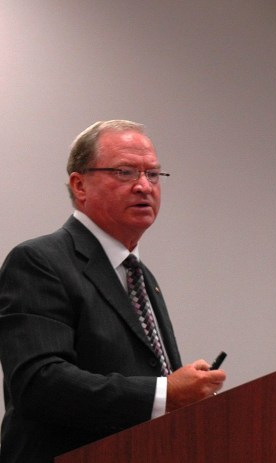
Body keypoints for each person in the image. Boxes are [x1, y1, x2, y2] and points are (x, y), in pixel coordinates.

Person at [0, 120, 226, 463]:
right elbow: (40, 384)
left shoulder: (141, 275)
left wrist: (183, 397)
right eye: (125, 172)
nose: (143, 186)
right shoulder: (39, 261)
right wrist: (166, 391)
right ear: (79, 185)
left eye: (153, 175)